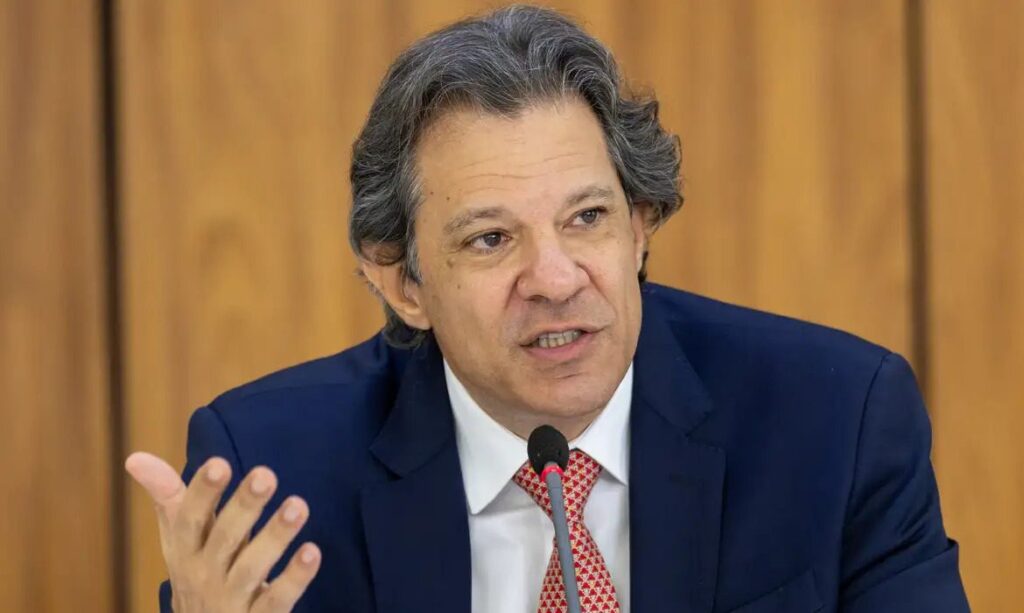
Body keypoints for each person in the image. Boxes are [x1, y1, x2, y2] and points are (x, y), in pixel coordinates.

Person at [125, 5, 969, 612]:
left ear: (639, 226)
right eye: (491, 238)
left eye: (587, 217)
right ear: (402, 282)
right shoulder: (276, 476)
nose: (556, 278)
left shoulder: (836, 422)